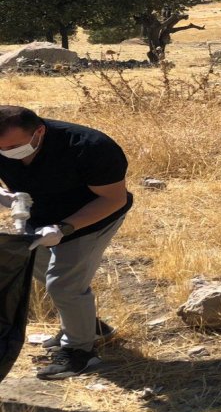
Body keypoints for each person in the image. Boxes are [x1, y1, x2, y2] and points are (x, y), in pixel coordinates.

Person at [0, 106, 132, 380]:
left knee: (63, 283)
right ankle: (88, 327)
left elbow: (113, 199)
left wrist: (64, 228)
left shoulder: (90, 147)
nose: (7, 153)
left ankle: (79, 352)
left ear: (39, 132)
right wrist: (5, 197)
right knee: (34, 267)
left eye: (14, 146)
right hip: (40, 217)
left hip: (91, 217)